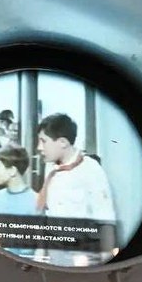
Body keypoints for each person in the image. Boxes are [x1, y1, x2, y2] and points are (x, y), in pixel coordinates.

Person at [36, 113, 116, 266]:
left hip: (82, 251)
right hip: (54, 249)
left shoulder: (90, 169)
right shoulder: (50, 167)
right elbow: (46, 214)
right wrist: (40, 253)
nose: (39, 147)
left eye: (43, 141)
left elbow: (105, 218)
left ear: (63, 142)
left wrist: (108, 261)